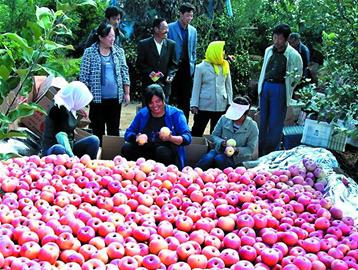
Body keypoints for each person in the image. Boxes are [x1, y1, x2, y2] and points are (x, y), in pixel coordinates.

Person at [80, 22, 130, 145]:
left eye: (113, 36)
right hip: (97, 99)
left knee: (114, 130)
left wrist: (127, 92)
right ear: (101, 37)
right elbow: (84, 77)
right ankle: (97, 156)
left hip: (115, 98)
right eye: (109, 36)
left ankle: (113, 155)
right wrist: (83, 98)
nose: (112, 39)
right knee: (97, 130)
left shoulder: (119, 52)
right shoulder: (89, 52)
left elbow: (124, 72)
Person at [258, 24, 303, 156]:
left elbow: (297, 76)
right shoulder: (268, 50)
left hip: (280, 88)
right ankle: (260, 151)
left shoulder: (294, 55)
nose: (276, 41)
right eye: (274, 37)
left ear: (287, 39)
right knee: (263, 121)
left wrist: (289, 88)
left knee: (275, 123)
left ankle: (272, 153)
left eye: (280, 38)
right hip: (266, 86)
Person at [121, 84, 192, 169]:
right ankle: (134, 172)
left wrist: (170, 138)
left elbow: (187, 138)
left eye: (158, 101)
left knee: (162, 151)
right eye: (151, 102)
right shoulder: (142, 114)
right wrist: (136, 137)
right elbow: (128, 133)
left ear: (163, 98)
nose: (155, 105)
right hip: (145, 155)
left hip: (166, 155)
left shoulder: (176, 114)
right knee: (127, 148)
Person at [195, 96, 258, 170]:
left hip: (238, 159)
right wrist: (221, 142)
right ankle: (193, 174)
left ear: (245, 114)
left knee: (219, 159)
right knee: (207, 159)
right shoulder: (224, 118)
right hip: (219, 150)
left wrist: (236, 150)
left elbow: (250, 149)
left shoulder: (252, 126)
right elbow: (214, 135)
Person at [41, 81, 100, 159]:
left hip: (69, 145)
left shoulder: (68, 103)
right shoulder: (58, 109)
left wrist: (79, 109)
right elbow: (61, 137)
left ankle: (90, 165)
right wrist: (72, 157)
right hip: (55, 148)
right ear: (75, 97)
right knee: (59, 149)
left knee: (94, 140)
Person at [190, 41, 233, 136]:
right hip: (204, 105)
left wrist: (230, 102)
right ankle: (195, 149)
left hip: (221, 105)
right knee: (197, 130)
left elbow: (228, 86)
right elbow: (196, 87)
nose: (223, 53)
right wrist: (194, 104)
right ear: (214, 51)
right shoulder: (200, 67)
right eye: (222, 50)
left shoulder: (225, 66)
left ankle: (214, 150)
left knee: (217, 133)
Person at [136, 18, 178, 105]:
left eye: (167, 28)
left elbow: (174, 64)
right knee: (147, 114)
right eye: (164, 28)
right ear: (156, 29)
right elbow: (140, 63)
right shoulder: (144, 44)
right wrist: (150, 72)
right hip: (149, 86)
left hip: (165, 86)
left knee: (164, 114)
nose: (167, 31)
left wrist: (170, 75)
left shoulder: (171, 45)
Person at [168, 2, 197, 120]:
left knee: (185, 99)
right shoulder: (170, 28)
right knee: (171, 96)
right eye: (187, 15)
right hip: (173, 67)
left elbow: (194, 50)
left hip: (187, 68)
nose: (189, 18)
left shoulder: (193, 31)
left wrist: (193, 65)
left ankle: (183, 124)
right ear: (180, 14)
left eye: (191, 16)